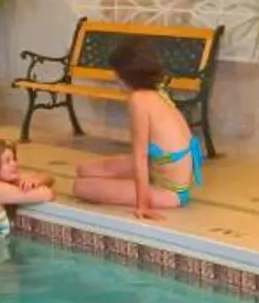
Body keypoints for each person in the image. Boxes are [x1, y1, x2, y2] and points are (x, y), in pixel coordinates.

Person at [71, 38, 203, 219]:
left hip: (171, 192)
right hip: (158, 168)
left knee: (81, 187)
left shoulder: (138, 100)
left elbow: (140, 157)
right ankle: (129, 185)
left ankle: (138, 192)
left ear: (125, 74)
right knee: (84, 170)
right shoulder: (156, 90)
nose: (114, 78)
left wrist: (143, 205)